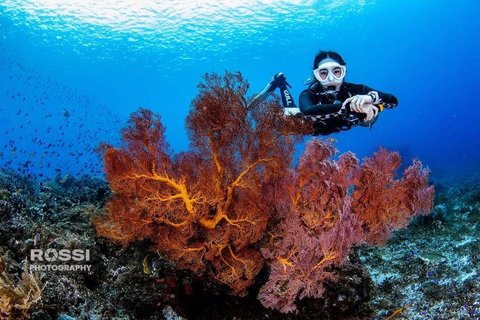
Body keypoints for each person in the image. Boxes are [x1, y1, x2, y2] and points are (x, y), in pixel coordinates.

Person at [250, 50, 398, 135]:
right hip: (306, 123)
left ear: (343, 72)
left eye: (336, 72)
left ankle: (281, 84)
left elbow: (393, 101)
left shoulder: (356, 90)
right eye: (323, 73)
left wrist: (371, 98)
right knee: (285, 115)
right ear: (316, 76)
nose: (331, 79)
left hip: (329, 125)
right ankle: (280, 84)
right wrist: (348, 107)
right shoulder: (308, 93)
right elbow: (308, 111)